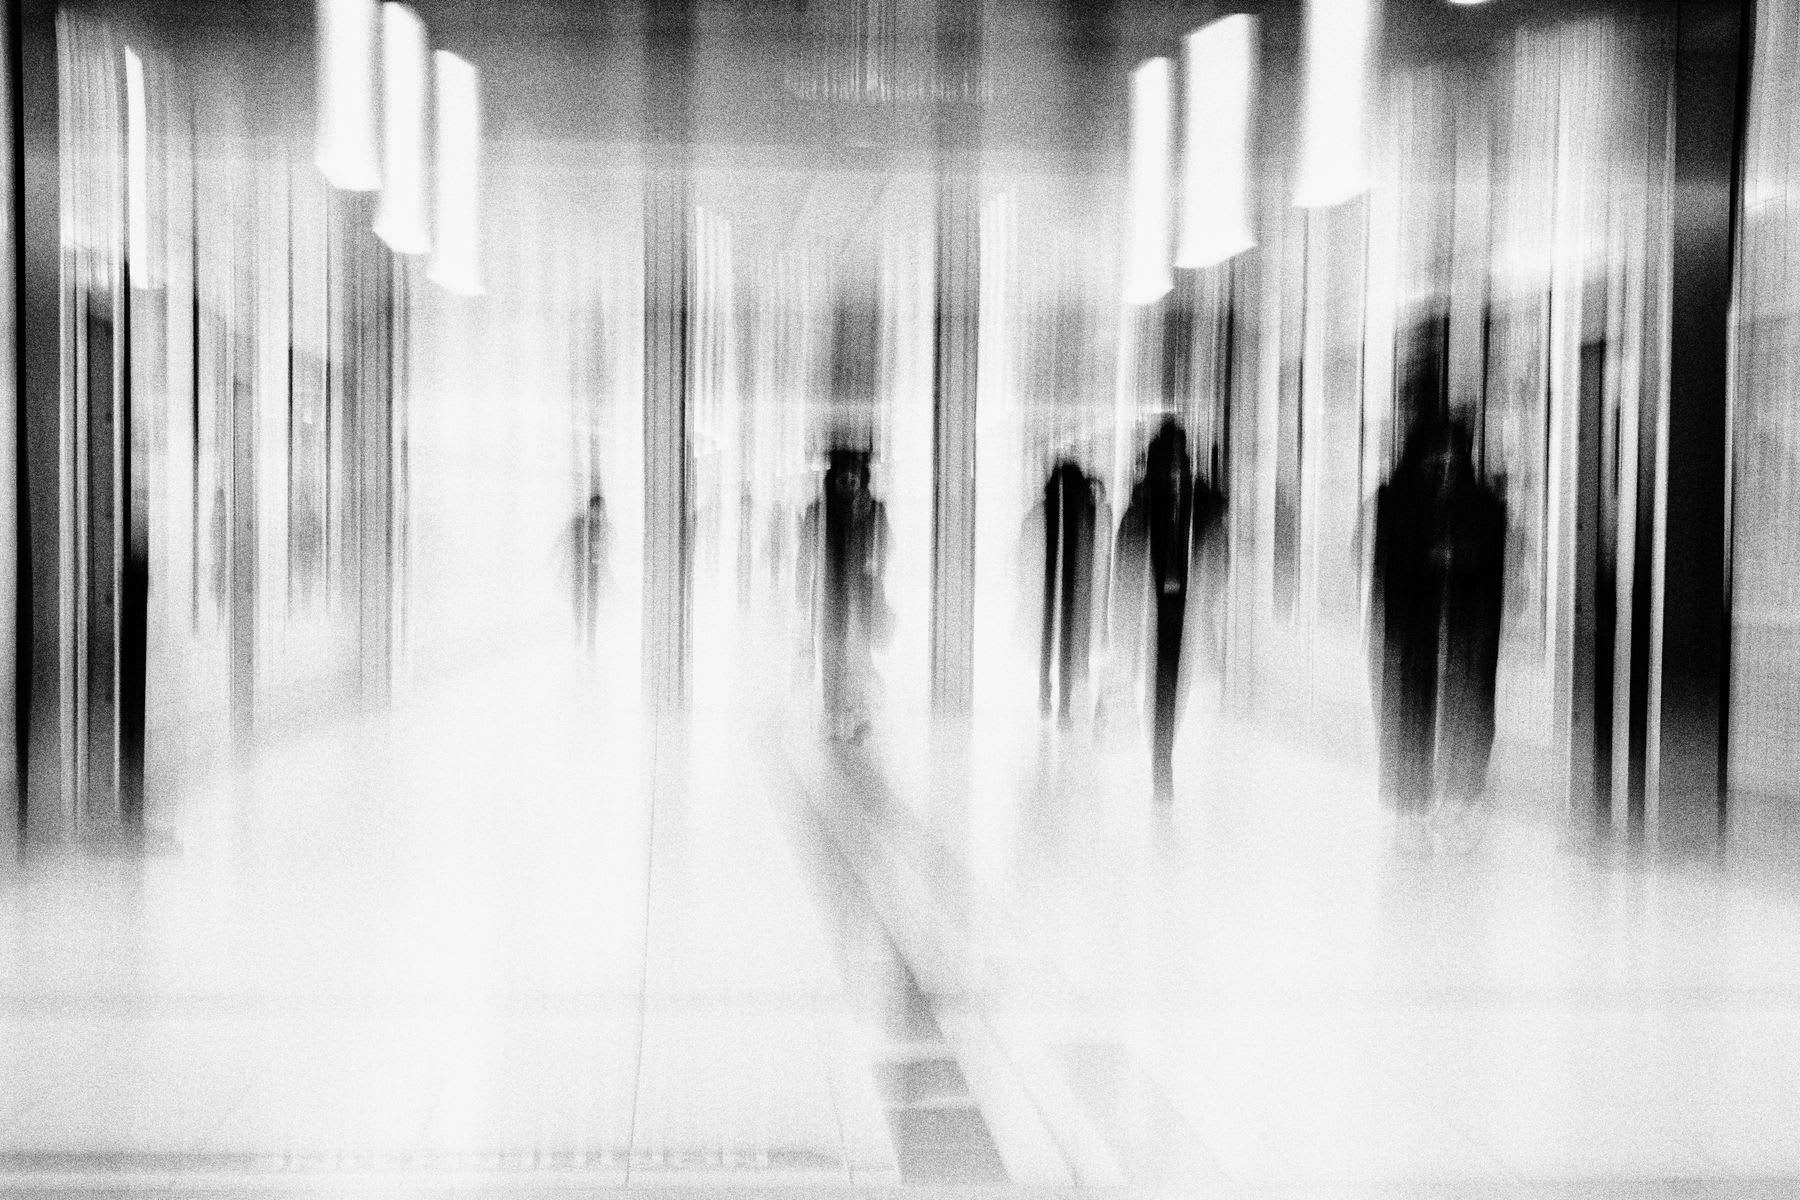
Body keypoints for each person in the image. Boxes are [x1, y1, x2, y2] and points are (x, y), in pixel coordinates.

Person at [1370, 414, 1506, 853]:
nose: (1444, 462)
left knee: (1468, 713)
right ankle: (1410, 807)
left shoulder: (1483, 505)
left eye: (1452, 453)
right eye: (1435, 453)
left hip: (1467, 631)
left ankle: (1458, 803)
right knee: (1412, 713)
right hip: (1415, 630)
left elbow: (1493, 571)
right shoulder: (1396, 500)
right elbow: (1385, 571)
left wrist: (1457, 557)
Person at [1110, 418, 1223, 801]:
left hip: (1183, 612)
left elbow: (1217, 561)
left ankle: (1164, 749)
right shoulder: (1140, 511)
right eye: (1171, 460)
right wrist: (1121, 627)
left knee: (1179, 686)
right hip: (1150, 614)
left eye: (1182, 459)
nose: (1178, 468)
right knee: (1158, 686)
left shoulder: (1199, 509)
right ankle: (1161, 759)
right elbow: (1124, 572)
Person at [798, 449, 891, 742]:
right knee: (832, 654)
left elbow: (885, 548)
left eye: (853, 476)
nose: (848, 482)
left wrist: (874, 570)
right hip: (830, 594)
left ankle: (859, 714)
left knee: (858, 654)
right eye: (843, 476)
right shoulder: (818, 510)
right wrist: (802, 592)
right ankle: (836, 715)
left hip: (861, 595)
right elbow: (805, 555)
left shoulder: (874, 510)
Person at [565, 490, 613, 654]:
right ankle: (580, 634)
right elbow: (568, 550)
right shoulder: (579, 525)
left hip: (593, 576)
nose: (598, 515)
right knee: (579, 604)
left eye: (600, 512)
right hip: (579, 574)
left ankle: (590, 639)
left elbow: (604, 556)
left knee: (592, 606)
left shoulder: (601, 529)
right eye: (596, 510)